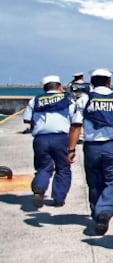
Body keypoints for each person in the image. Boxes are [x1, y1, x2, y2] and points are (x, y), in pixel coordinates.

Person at [67, 68, 113, 235]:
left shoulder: (84, 100)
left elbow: (75, 126)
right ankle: (105, 211)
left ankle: (97, 212)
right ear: (109, 82)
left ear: (92, 82)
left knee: (94, 182)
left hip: (92, 147)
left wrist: (71, 149)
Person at [22, 75, 75, 208]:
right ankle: (58, 198)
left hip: (41, 138)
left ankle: (39, 187)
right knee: (63, 168)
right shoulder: (67, 98)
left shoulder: (35, 100)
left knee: (43, 167)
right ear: (59, 87)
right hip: (61, 138)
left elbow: (26, 119)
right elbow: (75, 119)